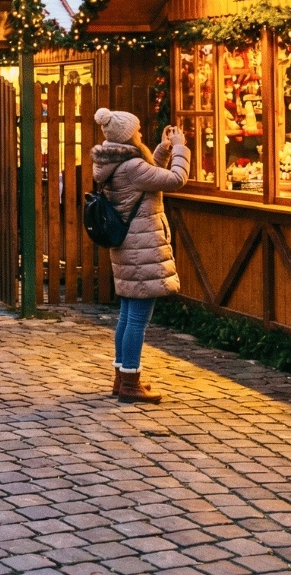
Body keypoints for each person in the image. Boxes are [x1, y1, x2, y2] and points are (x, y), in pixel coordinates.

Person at [90, 108, 189, 404]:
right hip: (141, 248)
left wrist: (162, 149)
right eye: (138, 131)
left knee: (128, 314)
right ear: (129, 136)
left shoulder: (118, 163)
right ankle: (131, 383)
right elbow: (175, 180)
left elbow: (149, 178)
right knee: (137, 319)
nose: (142, 133)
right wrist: (182, 147)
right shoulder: (131, 166)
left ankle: (122, 377)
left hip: (129, 248)